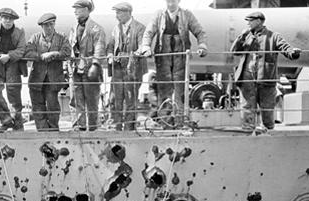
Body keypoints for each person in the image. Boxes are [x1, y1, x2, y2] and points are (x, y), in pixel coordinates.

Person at [136, 0, 207, 128]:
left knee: (180, 90)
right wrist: (146, 47)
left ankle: (180, 122)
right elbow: (149, 32)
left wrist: (202, 45)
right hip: (163, 57)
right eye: (168, 1)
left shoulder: (187, 15)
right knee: (164, 90)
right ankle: (165, 123)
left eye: (173, 1)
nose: (170, 4)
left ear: (178, 1)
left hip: (180, 56)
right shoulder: (158, 15)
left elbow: (199, 31)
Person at [230, 11, 300, 132]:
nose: (248, 23)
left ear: (258, 21)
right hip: (247, 78)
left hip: (266, 78)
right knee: (247, 108)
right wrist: (241, 37)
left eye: (250, 21)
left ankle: (268, 133)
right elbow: (234, 51)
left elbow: (286, 48)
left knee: (267, 108)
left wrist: (293, 52)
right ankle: (247, 133)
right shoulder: (246, 36)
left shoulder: (273, 36)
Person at [0, 8, 28, 131]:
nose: (8, 21)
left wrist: (9, 56)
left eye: (11, 19)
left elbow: (21, 49)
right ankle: (6, 120)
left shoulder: (19, 31)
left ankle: (18, 122)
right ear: (0, 18)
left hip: (13, 64)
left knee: (14, 94)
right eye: (5, 18)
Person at [24, 13, 72, 131]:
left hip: (53, 78)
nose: (49, 27)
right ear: (42, 26)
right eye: (46, 25)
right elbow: (27, 53)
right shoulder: (35, 38)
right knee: (37, 106)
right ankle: (42, 130)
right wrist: (40, 56)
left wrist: (54, 54)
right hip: (37, 78)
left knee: (52, 105)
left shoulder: (62, 37)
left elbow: (67, 52)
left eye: (51, 24)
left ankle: (54, 129)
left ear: (54, 24)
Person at [67, 0, 107, 131]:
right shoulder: (74, 28)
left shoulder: (96, 29)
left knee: (92, 101)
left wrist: (95, 65)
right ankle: (79, 127)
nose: (75, 11)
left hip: (90, 72)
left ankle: (93, 128)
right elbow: (70, 48)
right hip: (76, 70)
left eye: (78, 9)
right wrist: (67, 67)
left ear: (86, 10)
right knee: (76, 100)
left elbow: (100, 48)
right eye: (75, 9)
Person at [107, 3, 146, 131]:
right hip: (117, 69)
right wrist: (110, 55)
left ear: (128, 12)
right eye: (116, 13)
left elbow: (143, 47)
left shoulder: (140, 28)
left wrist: (130, 56)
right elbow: (110, 45)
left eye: (119, 13)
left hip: (133, 69)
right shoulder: (116, 28)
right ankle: (116, 127)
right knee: (115, 99)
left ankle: (129, 129)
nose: (116, 16)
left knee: (130, 100)